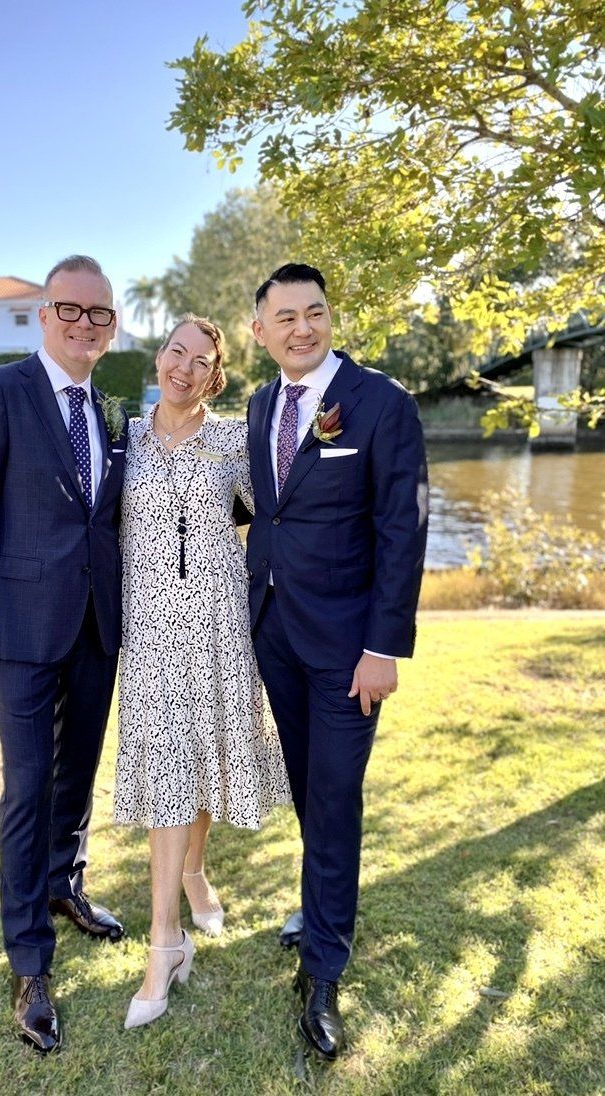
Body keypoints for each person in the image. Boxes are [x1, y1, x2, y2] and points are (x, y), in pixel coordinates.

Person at [0, 255, 129, 1054]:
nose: (85, 323)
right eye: (71, 309)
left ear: (112, 327)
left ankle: (65, 885)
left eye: (100, 314)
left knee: (78, 774)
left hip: (95, 627)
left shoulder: (111, 413)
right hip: (18, 633)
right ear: (44, 315)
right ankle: (28, 961)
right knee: (26, 789)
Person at [246, 264, 428, 1060]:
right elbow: (266, 509)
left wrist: (383, 648)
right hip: (276, 635)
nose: (301, 328)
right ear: (260, 331)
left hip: (351, 650)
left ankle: (323, 970)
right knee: (308, 792)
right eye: (284, 318)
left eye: (313, 313)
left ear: (329, 317)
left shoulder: (383, 403)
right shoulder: (259, 407)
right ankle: (317, 909)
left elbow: (404, 531)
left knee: (335, 796)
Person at [113, 314, 290, 1029]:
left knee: (210, 759)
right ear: (159, 357)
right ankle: (165, 942)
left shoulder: (233, 440)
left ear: (216, 376)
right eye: (175, 352)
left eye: (201, 361)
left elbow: (278, 508)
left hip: (218, 626)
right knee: (167, 772)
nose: (184, 368)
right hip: (150, 631)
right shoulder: (121, 436)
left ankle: (193, 871)